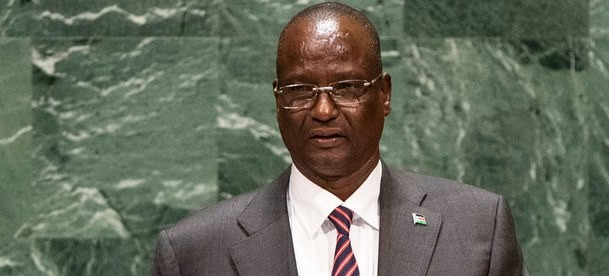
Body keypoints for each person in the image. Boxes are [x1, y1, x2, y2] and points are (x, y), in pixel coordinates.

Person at [151, 2, 525, 275]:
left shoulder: (478, 229)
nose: (324, 110)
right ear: (278, 101)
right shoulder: (193, 253)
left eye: (346, 87)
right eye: (300, 89)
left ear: (385, 95)